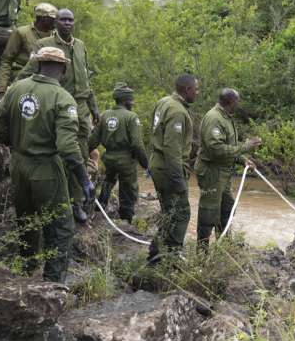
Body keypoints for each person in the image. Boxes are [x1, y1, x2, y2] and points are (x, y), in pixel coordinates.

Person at [0, 46, 94, 283]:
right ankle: (53, 286)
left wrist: (16, 141)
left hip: (18, 165)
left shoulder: (17, 88)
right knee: (61, 227)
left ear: (38, 64)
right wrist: (84, 179)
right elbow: (68, 147)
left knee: (26, 220)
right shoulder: (62, 98)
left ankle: (26, 271)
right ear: (64, 69)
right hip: (46, 167)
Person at [18, 8, 99, 223]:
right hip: (55, 105)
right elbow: (28, 73)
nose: (67, 23)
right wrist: (13, 94)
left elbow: (86, 80)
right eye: (62, 19)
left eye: (70, 20)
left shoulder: (80, 46)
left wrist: (94, 107)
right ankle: (54, 201)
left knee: (79, 153)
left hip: (80, 109)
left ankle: (76, 202)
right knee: (56, 152)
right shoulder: (45, 46)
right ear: (55, 23)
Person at [195, 88, 262, 249]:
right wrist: (245, 147)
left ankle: (224, 244)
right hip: (211, 172)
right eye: (237, 101)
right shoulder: (214, 119)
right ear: (230, 102)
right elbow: (216, 149)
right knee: (209, 211)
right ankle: (202, 251)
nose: (238, 104)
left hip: (222, 173)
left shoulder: (226, 118)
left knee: (227, 207)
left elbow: (228, 147)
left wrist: (243, 159)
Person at [147, 74, 198, 262]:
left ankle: (156, 253)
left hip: (158, 164)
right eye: (196, 89)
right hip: (168, 168)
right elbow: (172, 148)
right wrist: (178, 180)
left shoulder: (163, 102)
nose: (197, 93)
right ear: (187, 90)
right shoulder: (177, 111)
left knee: (169, 211)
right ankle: (172, 255)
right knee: (181, 212)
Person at [88, 82, 149, 224]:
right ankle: (126, 219)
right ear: (126, 101)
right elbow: (137, 144)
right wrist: (145, 164)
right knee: (128, 189)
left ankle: (100, 210)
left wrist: (83, 155)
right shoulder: (131, 117)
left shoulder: (104, 115)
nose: (132, 103)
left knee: (108, 181)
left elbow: (93, 141)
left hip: (108, 158)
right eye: (131, 101)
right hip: (126, 161)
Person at [0, 2, 57, 96]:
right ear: (43, 19)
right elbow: (6, 60)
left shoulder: (55, 36)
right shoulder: (22, 32)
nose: (56, 22)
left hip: (46, 78)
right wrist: (2, 89)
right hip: (22, 77)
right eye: (53, 19)